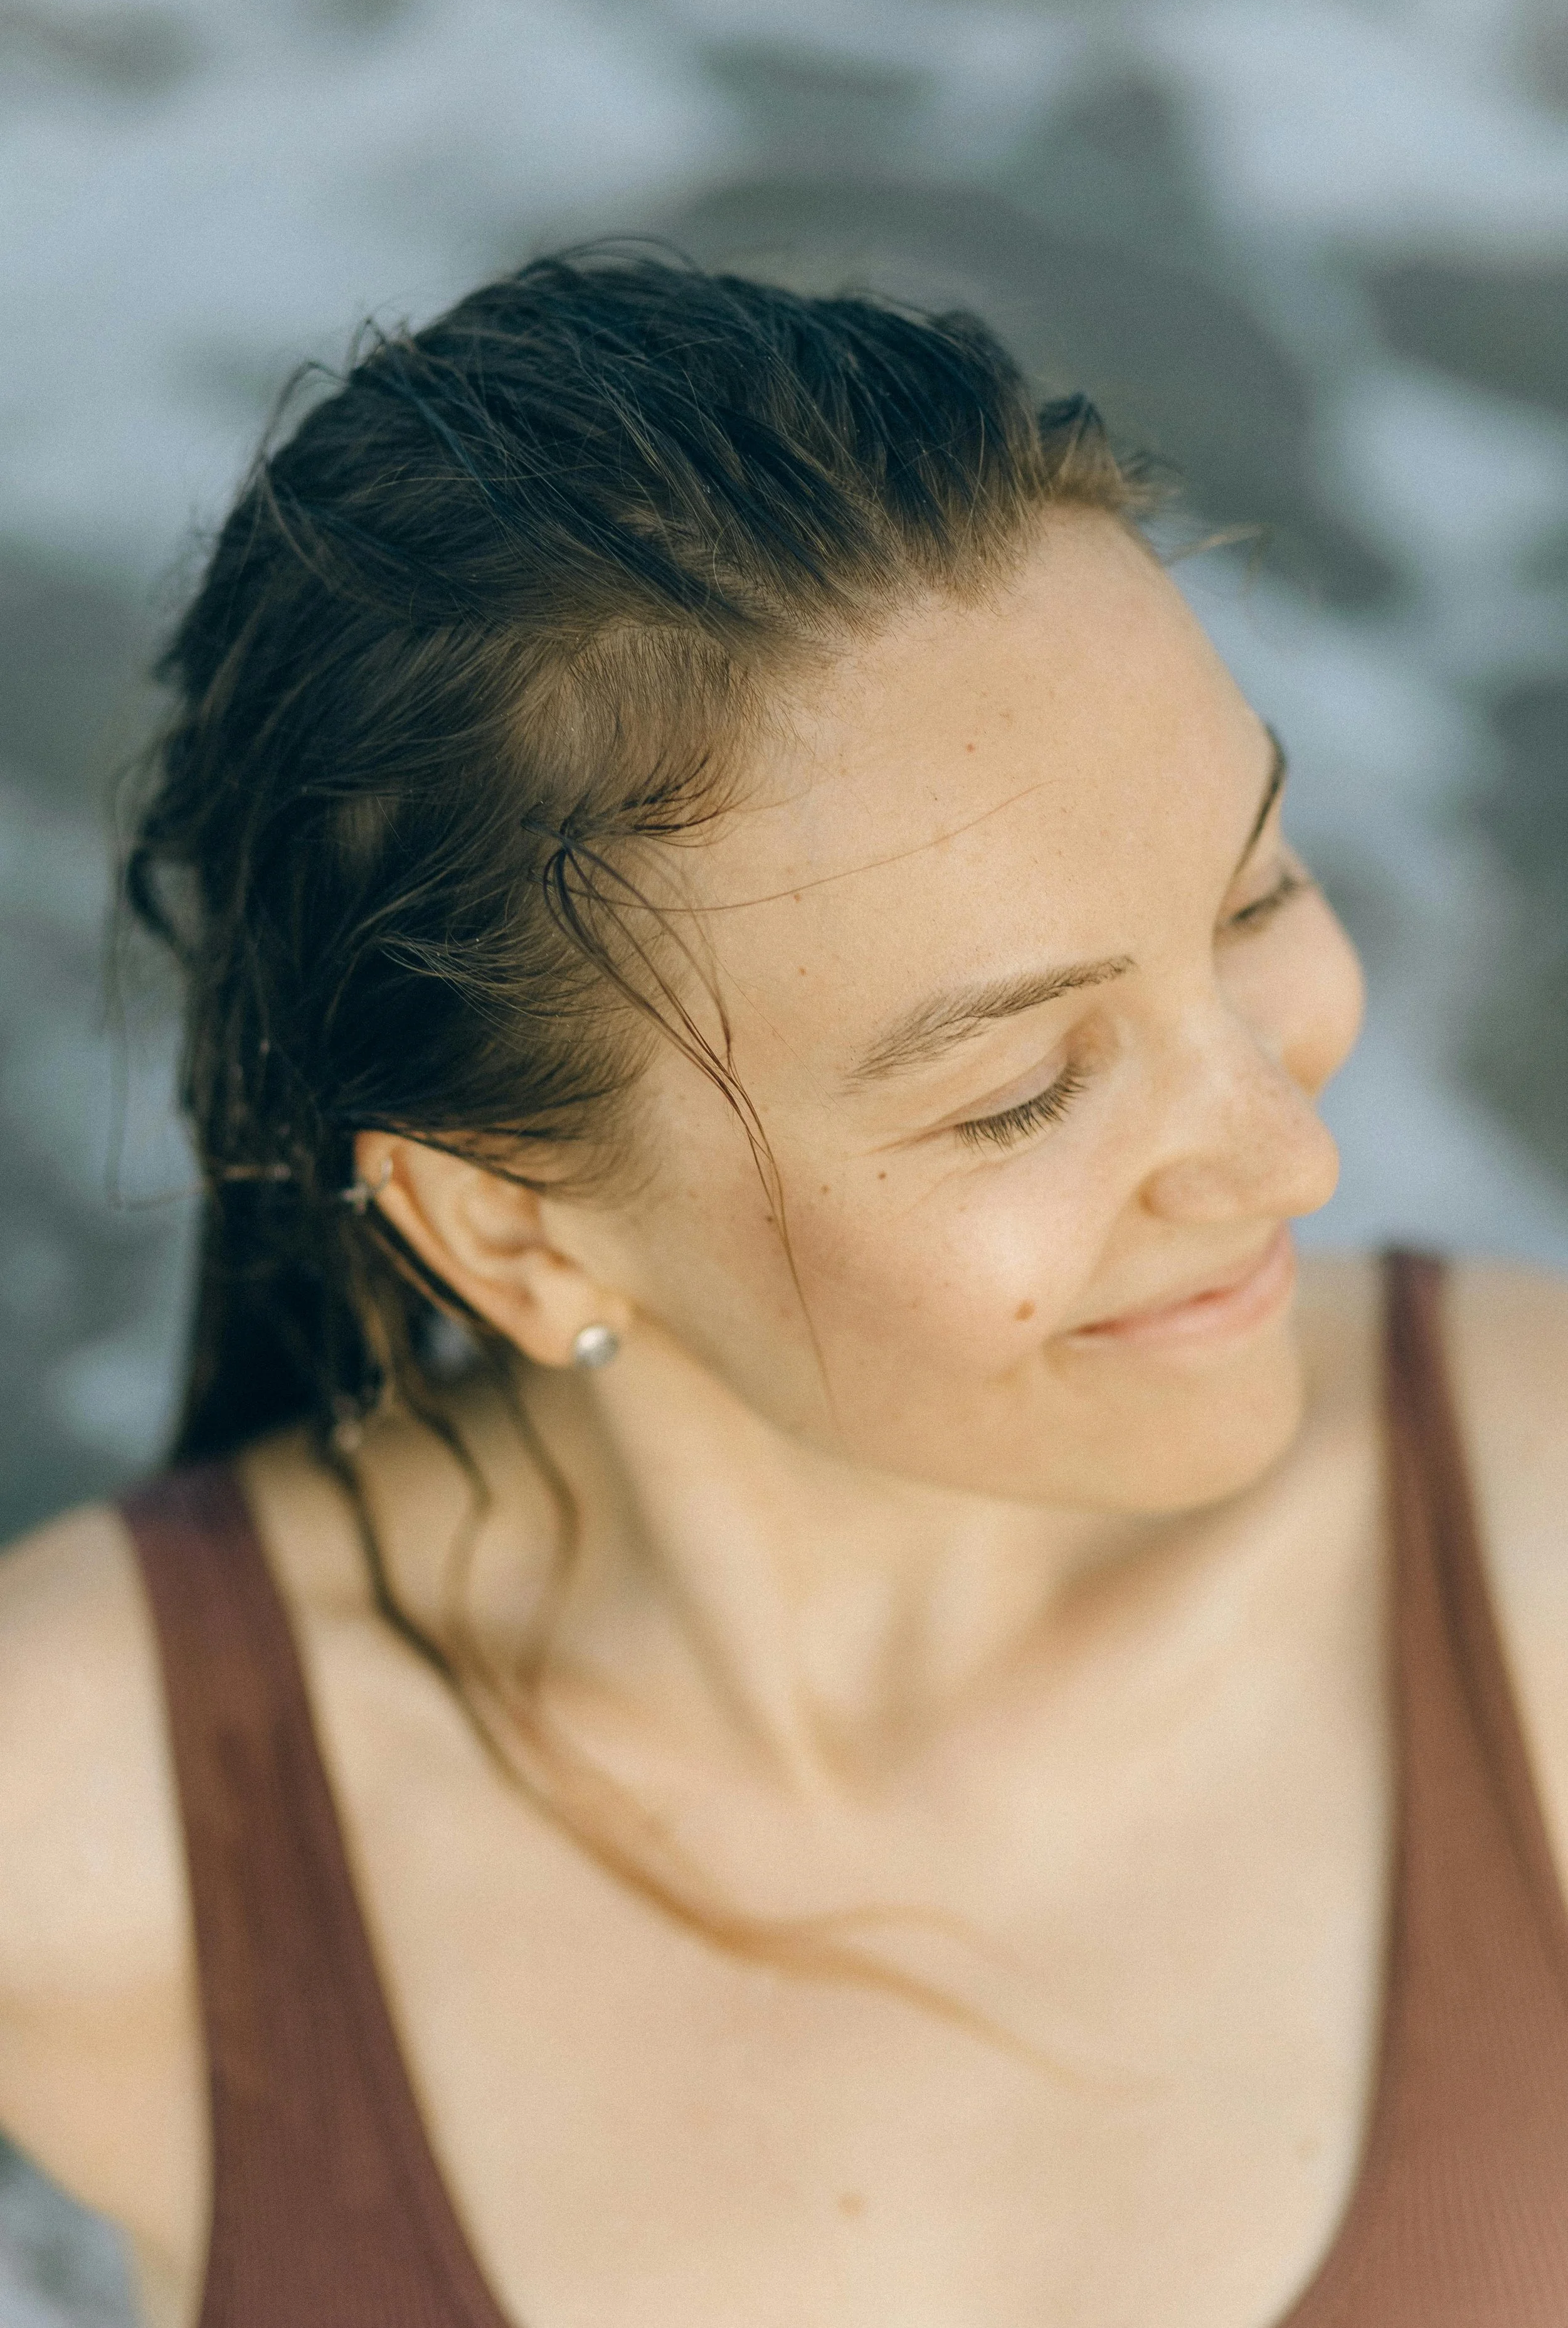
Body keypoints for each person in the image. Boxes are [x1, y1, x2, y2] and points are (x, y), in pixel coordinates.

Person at [3, 253, 1568, 2328]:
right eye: (1019, 1094)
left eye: (1254, 892)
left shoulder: (1537, 1552)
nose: (1290, 1152)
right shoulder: (95, 1831)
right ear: (507, 1231)